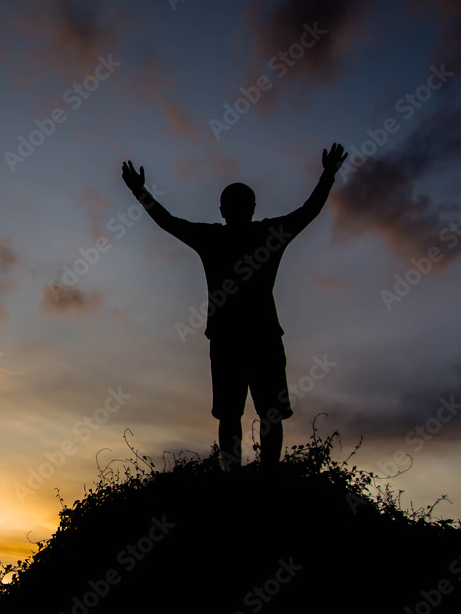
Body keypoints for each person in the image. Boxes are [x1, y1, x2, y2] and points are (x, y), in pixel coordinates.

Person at [120, 143, 348, 471]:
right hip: (251, 338)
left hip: (242, 339)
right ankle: (257, 477)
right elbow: (308, 211)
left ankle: (243, 479)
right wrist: (328, 175)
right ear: (240, 209)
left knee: (239, 414)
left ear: (225, 210)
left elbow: (167, 221)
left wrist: (139, 191)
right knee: (247, 413)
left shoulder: (225, 237)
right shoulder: (262, 234)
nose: (238, 210)